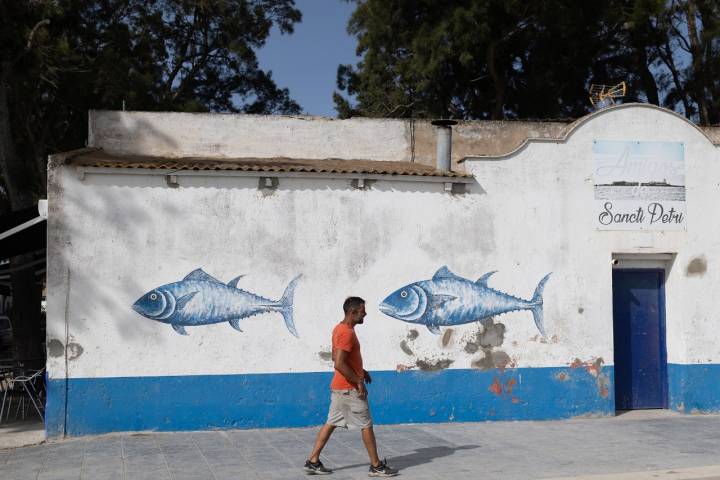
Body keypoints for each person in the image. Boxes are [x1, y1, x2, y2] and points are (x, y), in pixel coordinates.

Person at [303, 297, 399, 477]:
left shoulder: (339, 329)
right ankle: (376, 466)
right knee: (366, 425)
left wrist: (361, 370)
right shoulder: (346, 333)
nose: (365, 313)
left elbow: (337, 357)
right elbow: (339, 363)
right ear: (352, 312)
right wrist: (358, 380)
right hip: (348, 389)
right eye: (362, 311)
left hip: (340, 388)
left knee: (331, 423)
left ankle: (313, 461)